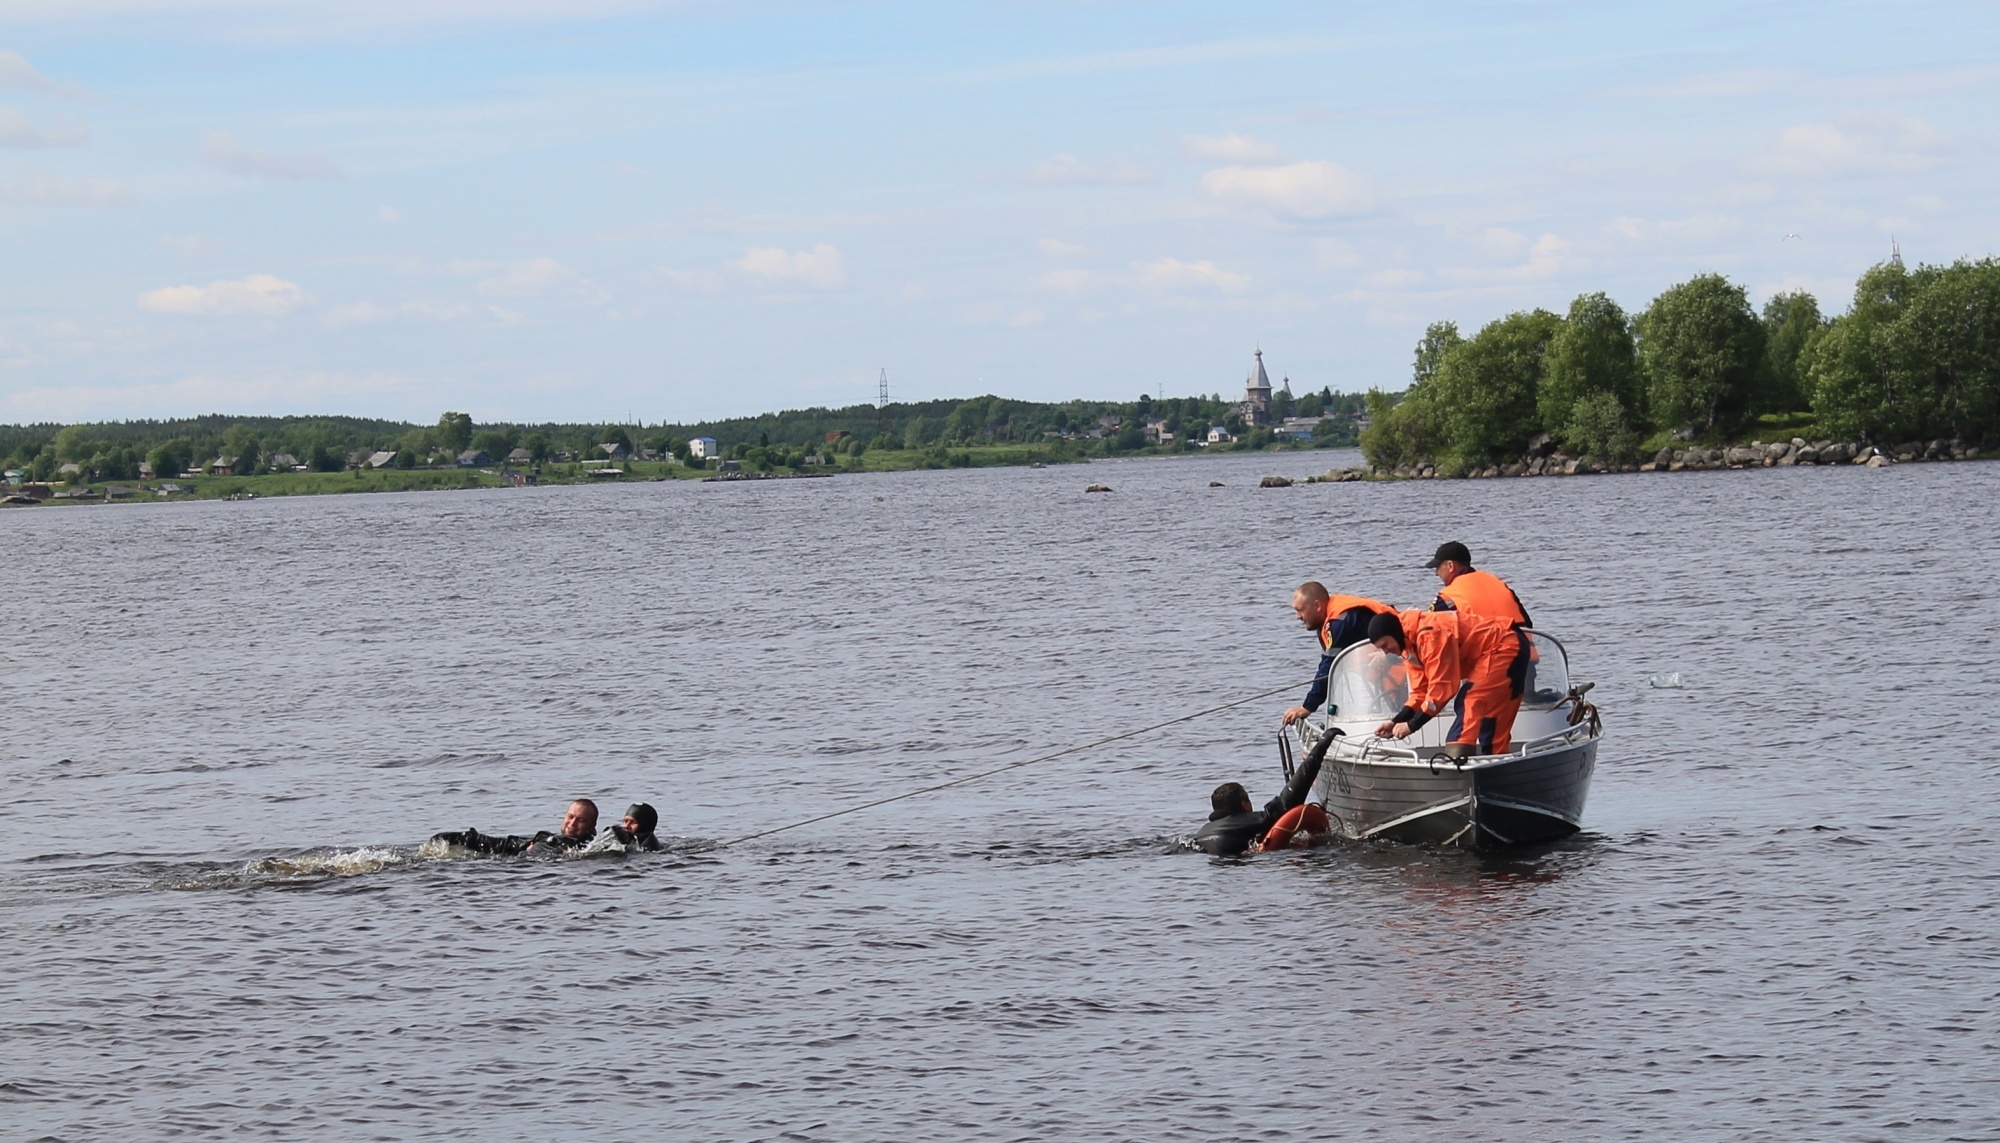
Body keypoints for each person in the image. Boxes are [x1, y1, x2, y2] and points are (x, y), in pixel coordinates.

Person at [1367, 609, 1530, 758]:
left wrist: (1411, 726)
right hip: (1507, 644)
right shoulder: (1409, 646)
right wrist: (1395, 722)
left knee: (1469, 701)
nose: (1386, 651)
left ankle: (1457, 762)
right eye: (1381, 648)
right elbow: (1419, 693)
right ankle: (1497, 771)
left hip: (1504, 645)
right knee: (1492, 721)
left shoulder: (1430, 634)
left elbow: (1441, 689)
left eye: (1386, 644)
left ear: (1394, 633)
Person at [1190, 730, 1337, 855]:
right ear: (1245, 805)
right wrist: (1320, 747)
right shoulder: (1242, 821)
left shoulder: (1202, 832)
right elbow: (1288, 801)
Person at [1281, 582, 1394, 727]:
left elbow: (1327, 668)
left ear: (1317, 606)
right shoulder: (1327, 619)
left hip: (1398, 662)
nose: (1298, 617)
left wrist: (1307, 707)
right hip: (1382, 670)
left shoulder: (1338, 622)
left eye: (1300, 610)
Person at [430, 798, 600, 856]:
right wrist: (455, 837)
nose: (572, 823)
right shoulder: (546, 838)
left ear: (592, 826)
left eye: (581, 820)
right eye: (570, 817)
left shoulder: (588, 847)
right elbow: (500, 844)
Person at [1425, 541, 1531, 626]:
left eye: (1438, 568)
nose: (1436, 573)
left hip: (1488, 652)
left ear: (1450, 566)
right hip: (1525, 651)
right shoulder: (1499, 584)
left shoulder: (1450, 597)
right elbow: (1528, 623)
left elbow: (1427, 629)